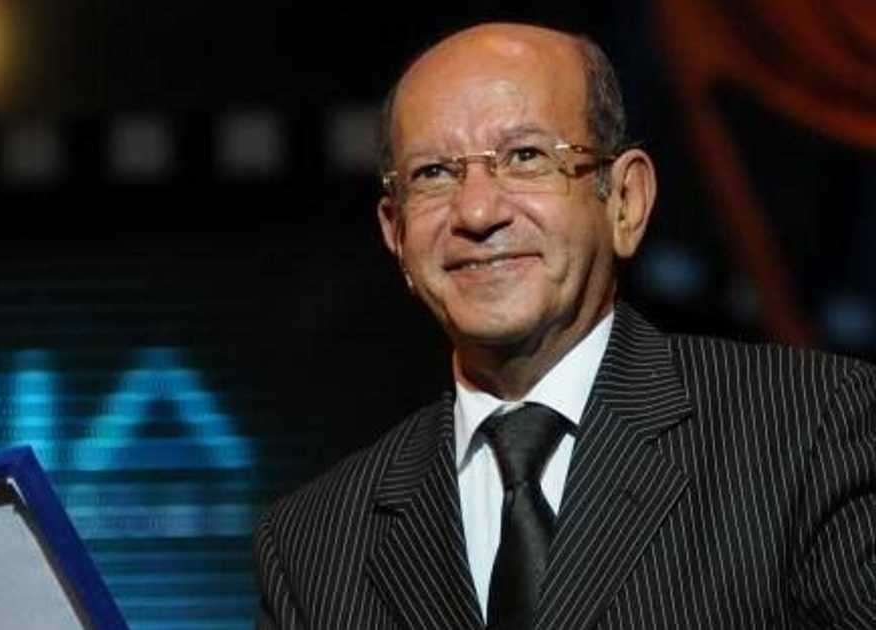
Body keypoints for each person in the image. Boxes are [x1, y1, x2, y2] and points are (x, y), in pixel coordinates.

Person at [253, 22, 876, 630]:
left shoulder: (808, 431)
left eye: (525, 157)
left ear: (625, 202)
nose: (477, 211)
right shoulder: (315, 545)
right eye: (434, 174)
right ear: (396, 233)